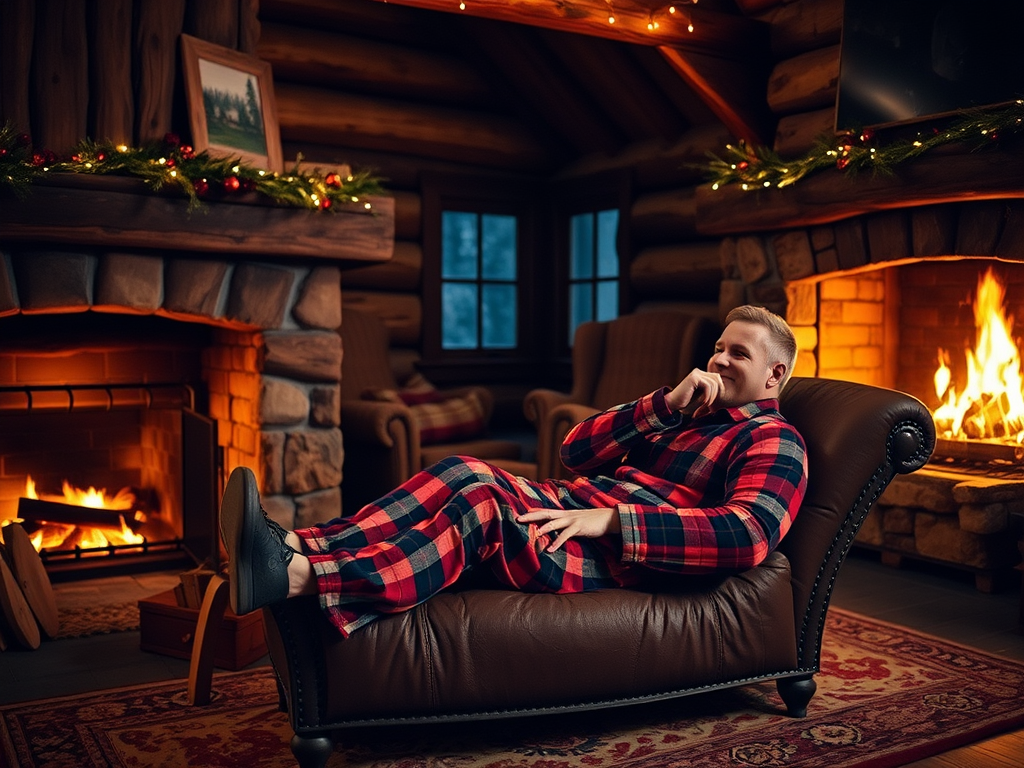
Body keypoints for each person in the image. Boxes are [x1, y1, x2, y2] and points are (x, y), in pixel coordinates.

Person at [220, 304, 808, 639]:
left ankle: (303, 578)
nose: (720, 360)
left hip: (613, 556)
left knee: (479, 506)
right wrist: (661, 406)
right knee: (463, 470)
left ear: (775, 376)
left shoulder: (773, 440)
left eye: (740, 354)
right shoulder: (685, 410)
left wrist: (611, 522)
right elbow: (575, 453)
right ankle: (292, 544)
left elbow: (748, 533)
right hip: (569, 507)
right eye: (720, 348)